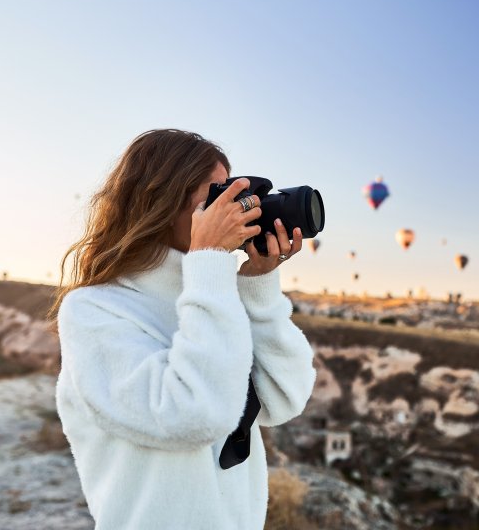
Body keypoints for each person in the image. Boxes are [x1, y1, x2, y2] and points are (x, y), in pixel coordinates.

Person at [47, 128, 317, 530]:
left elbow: (284, 399)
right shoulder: (94, 310)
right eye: (218, 198)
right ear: (158, 203)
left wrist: (257, 287)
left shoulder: (211, 299)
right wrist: (207, 259)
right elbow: (193, 416)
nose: (237, 211)